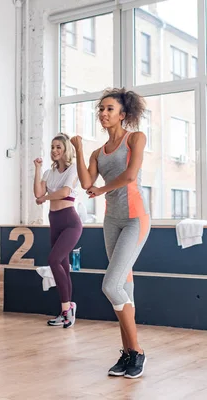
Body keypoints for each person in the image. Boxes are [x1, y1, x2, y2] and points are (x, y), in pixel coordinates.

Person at [71, 88, 150, 379]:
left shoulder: (135, 138)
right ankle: (128, 354)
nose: (103, 114)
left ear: (123, 114)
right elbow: (86, 181)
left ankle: (137, 350)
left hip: (135, 221)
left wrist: (101, 189)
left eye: (109, 109)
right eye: (101, 109)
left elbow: (130, 175)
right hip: (112, 221)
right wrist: (78, 150)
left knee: (111, 285)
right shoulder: (97, 152)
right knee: (124, 289)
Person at [33, 133, 82, 328]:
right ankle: (67, 309)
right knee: (63, 266)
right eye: (52, 147)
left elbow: (64, 192)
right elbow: (37, 192)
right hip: (54, 220)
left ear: (66, 150)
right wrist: (37, 169)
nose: (54, 151)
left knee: (53, 260)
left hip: (70, 222)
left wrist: (44, 199)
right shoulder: (48, 173)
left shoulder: (73, 169)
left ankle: (66, 309)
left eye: (58, 147)